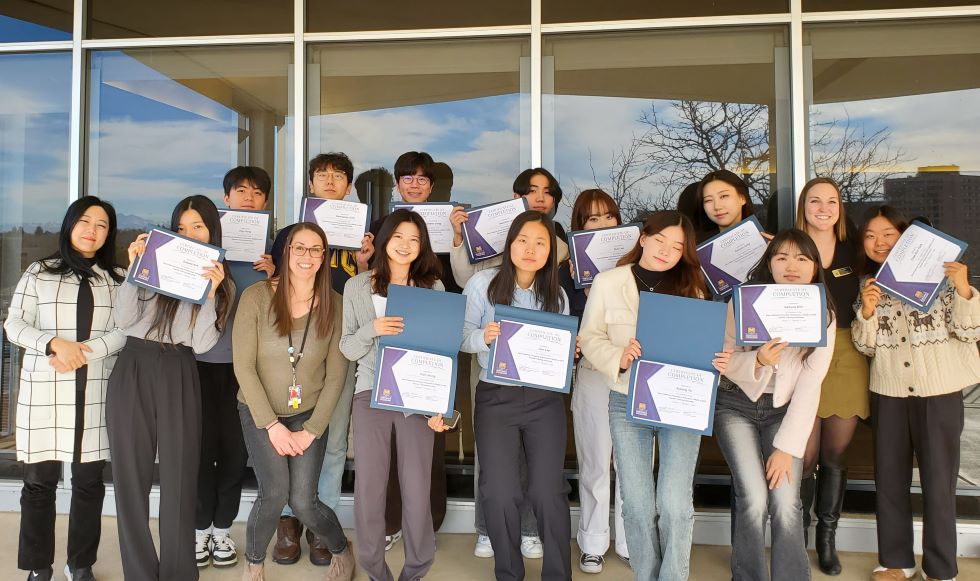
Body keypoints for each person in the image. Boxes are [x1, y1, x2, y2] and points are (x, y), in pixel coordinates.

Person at [579, 210, 729, 581]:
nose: (666, 251)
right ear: (643, 238)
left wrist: (718, 359)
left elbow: (701, 344)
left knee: (675, 504)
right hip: (625, 397)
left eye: (677, 246)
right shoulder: (609, 281)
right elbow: (590, 336)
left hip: (680, 401)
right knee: (639, 503)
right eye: (660, 240)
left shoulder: (692, 287)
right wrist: (619, 357)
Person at [107, 195, 231, 581]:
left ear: (212, 231)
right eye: (181, 228)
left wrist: (209, 297)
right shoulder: (152, 268)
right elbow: (124, 320)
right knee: (131, 480)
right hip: (134, 366)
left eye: (198, 227)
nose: (189, 235)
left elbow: (200, 343)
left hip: (179, 368)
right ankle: (140, 573)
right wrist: (133, 271)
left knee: (180, 478)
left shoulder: (221, 286)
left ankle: (179, 572)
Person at [853, 206, 979, 581]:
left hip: (939, 392)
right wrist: (868, 312)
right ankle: (896, 561)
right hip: (889, 393)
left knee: (939, 483)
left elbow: (970, 334)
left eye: (888, 234)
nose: (879, 242)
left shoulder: (944, 281)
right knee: (889, 480)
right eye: (871, 236)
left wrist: (964, 290)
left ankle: (940, 567)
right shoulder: (868, 285)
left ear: (906, 237)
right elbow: (866, 348)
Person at [4, 196, 125, 581]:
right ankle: (39, 567)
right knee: (39, 484)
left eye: (102, 224)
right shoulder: (40, 272)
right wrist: (57, 344)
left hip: (95, 392)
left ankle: (81, 564)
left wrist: (84, 352)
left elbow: (125, 330)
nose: (92, 230)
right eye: (85, 221)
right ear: (70, 225)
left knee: (89, 484)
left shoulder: (118, 278)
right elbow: (14, 324)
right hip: (46, 391)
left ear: (109, 234)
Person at [449, 168, 568, 559]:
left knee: (544, 486)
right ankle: (506, 563)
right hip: (496, 394)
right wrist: (481, 338)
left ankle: (551, 561)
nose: (530, 249)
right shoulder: (482, 284)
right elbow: (460, 336)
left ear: (550, 250)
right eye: (522, 240)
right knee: (500, 486)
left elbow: (561, 359)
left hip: (543, 399)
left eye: (540, 242)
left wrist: (571, 351)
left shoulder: (557, 295)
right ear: (510, 243)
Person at [234, 222, 354, 581]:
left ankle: (340, 547)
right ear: (285, 253)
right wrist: (271, 425)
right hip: (260, 411)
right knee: (274, 493)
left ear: (324, 257)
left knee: (304, 501)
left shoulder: (335, 304)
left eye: (315, 249)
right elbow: (243, 366)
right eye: (298, 248)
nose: (306, 256)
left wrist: (311, 431)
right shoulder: (256, 297)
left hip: (308, 413)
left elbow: (337, 376)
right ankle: (254, 564)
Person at [716, 229, 836, 581]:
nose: (791, 265)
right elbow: (723, 360)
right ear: (769, 263)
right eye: (781, 257)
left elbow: (811, 384)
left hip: (785, 413)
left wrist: (786, 448)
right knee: (753, 498)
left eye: (802, 258)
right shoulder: (742, 303)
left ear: (815, 267)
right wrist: (758, 361)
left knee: (785, 501)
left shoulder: (824, 315)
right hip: (735, 405)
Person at [273, 153, 375, 566]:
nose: (330, 181)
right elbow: (274, 285)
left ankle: (320, 520)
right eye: (322, 175)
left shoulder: (363, 234)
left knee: (332, 439)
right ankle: (286, 521)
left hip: (341, 343)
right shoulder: (287, 234)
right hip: (293, 346)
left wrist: (367, 264)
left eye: (338, 176)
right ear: (310, 184)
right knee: (288, 433)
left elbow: (372, 291)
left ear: (349, 186)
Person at [340, 211, 446, 581]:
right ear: (384, 239)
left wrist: (440, 407)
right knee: (370, 489)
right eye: (398, 236)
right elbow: (347, 348)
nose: (405, 244)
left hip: (417, 399)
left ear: (422, 247)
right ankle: (375, 571)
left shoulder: (431, 289)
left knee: (417, 490)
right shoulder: (357, 287)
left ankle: (415, 571)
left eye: (414, 239)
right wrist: (373, 329)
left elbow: (441, 351)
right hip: (370, 393)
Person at [195, 166, 275, 569]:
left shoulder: (272, 252)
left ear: (265, 202)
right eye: (240, 191)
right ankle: (198, 530)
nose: (248, 197)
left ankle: (223, 530)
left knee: (233, 451)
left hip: (245, 369)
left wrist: (275, 275)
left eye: (257, 192)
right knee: (198, 449)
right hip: (197, 365)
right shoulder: (202, 245)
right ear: (225, 198)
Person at [794, 177, 869, 575]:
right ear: (803, 206)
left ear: (840, 208)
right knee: (803, 457)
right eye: (814, 200)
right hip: (801, 353)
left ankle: (827, 540)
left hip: (846, 352)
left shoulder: (855, 250)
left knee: (835, 455)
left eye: (832, 201)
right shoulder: (788, 246)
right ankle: (798, 539)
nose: (823, 208)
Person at [562, 189, 630, 573]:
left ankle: (629, 537)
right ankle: (592, 540)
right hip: (590, 374)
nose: (602, 225)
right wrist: (582, 289)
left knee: (631, 462)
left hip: (630, 372)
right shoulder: (567, 272)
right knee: (595, 461)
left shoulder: (635, 267)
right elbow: (567, 328)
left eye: (609, 217)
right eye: (592, 219)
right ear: (580, 227)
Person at [691, 169, 756, 243]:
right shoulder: (694, 247)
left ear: (742, 199)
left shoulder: (765, 241)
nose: (717, 206)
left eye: (724, 196)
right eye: (708, 200)